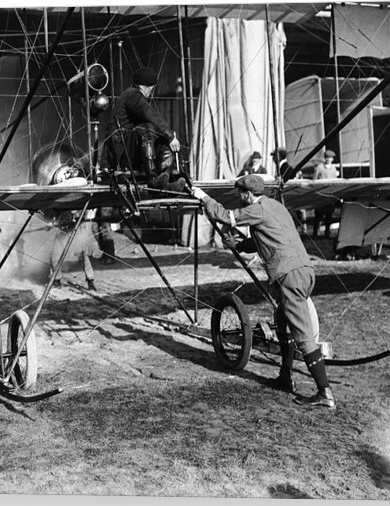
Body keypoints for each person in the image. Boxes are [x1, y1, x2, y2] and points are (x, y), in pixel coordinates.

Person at [190, 175, 336, 408]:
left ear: (247, 194)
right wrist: (236, 244)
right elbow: (262, 241)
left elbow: (225, 215)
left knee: (304, 336)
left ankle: (324, 393)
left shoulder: (256, 209)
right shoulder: (275, 206)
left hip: (290, 275)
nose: (240, 198)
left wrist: (203, 196)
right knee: (282, 319)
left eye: (241, 194)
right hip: (305, 270)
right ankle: (285, 377)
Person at [104, 66, 185, 192]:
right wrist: (171, 136)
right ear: (150, 87)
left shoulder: (131, 95)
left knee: (160, 136)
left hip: (128, 149)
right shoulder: (132, 95)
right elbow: (149, 114)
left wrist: (166, 137)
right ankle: (153, 178)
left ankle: (166, 178)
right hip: (121, 152)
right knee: (148, 128)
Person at [49, 210, 98, 291]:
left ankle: (90, 281)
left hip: (77, 233)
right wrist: (50, 224)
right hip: (63, 234)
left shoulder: (81, 210)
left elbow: (86, 225)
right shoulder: (60, 210)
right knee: (55, 256)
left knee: (84, 257)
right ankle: (57, 280)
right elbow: (54, 220)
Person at [312, 150, 339, 237]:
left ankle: (327, 233)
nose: (329, 159)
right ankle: (315, 232)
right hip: (321, 195)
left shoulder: (333, 169)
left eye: (330, 158)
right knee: (318, 215)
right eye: (327, 158)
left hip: (329, 195)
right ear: (325, 158)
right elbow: (314, 180)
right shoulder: (319, 167)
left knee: (329, 215)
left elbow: (335, 181)